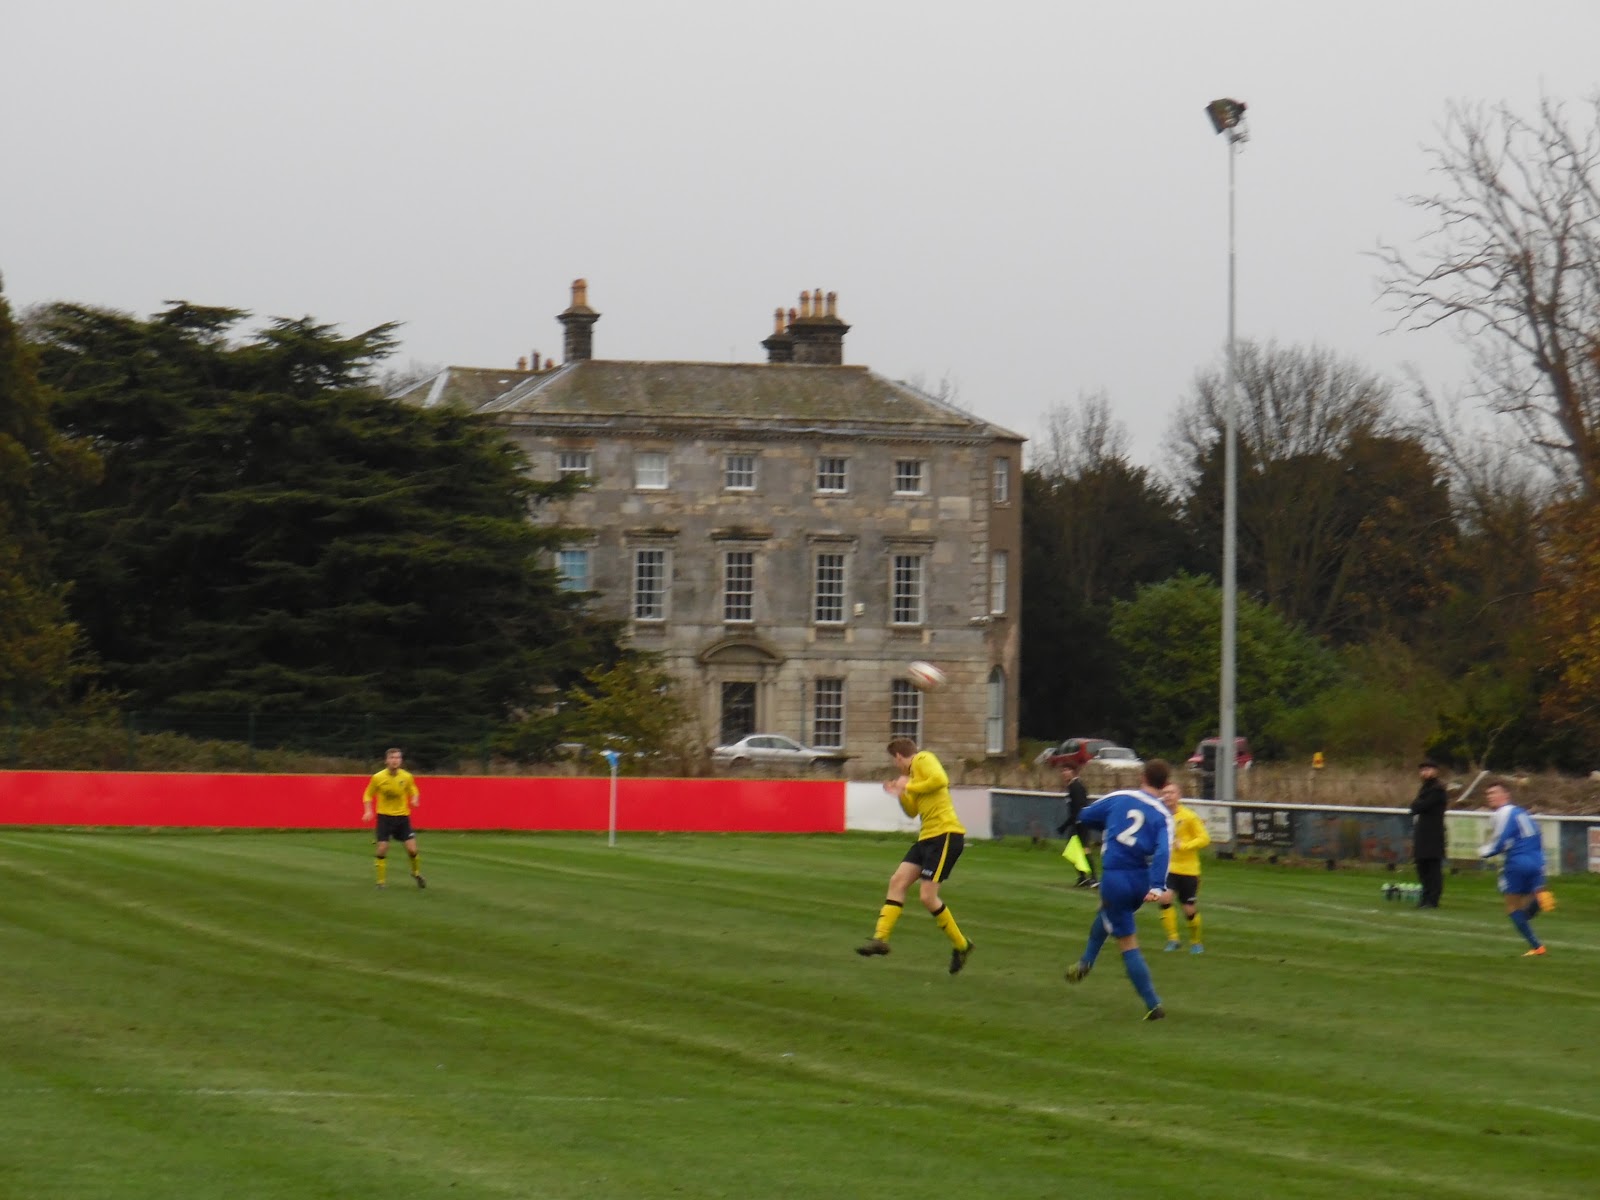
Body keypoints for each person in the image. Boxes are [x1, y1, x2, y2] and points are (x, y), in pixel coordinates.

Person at [1063, 759, 1174, 1020]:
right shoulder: (1164, 815)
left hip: (1115, 877)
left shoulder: (1122, 796)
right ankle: (1085, 961)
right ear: (1164, 784)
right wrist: (1158, 886)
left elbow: (1086, 815)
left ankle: (1153, 1005)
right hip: (1141, 879)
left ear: (1143, 776)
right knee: (1109, 914)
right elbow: (1163, 851)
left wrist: (1112, 824)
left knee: (1127, 942)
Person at [857, 737, 974, 974]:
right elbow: (912, 812)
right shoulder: (913, 778)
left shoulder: (923, 759)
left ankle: (962, 945)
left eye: (894, 761)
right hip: (927, 837)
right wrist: (899, 793)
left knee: (927, 897)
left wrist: (907, 786)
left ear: (899, 756)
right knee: (897, 881)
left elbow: (941, 780)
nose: (896, 766)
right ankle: (880, 939)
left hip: (945, 835)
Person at [1479, 780, 1554, 956]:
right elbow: (1536, 835)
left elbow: (1500, 842)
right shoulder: (1523, 814)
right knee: (1526, 900)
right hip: (1537, 860)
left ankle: (1537, 947)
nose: (1490, 797)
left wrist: (1484, 852)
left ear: (1506, 795)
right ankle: (1539, 897)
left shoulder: (1502, 813)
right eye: (1488, 794)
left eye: (1494, 793)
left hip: (1517, 862)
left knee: (1512, 906)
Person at [362, 747, 427, 889]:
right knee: (382, 849)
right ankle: (380, 882)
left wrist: (415, 799)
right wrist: (368, 811)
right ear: (386, 761)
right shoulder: (378, 777)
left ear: (401, 760)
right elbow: (367, 795)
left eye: (397, 758)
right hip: (384, 817)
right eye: (392, 758)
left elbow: (414, 790)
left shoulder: (406, 776)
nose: (395, 760)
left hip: (402, 817)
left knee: (412, 850)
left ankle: (416, 873)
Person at [1158, 780, 1210, 953]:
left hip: (1189, 870)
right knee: (1165, 898)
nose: (1167, 796)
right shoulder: (1160, 816)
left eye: (1171, 793)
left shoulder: (1189, 816)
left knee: (1189, 909)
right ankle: (1173, 939)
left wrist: (1185, 845)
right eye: (1164, 793)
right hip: (1169, 868)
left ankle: (1196, 942)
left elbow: (1204, 839)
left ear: (1178, 796)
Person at [1409, 760, 1448, 908]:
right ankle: (1425, 897)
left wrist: (1417, 805)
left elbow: (1420, 806)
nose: (1425, 773)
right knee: (1422, 866)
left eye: (1428, 770)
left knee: (1432, 868)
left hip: (1433, 834)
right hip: (1422, 833)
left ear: (1435, 771)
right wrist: (1417, 805)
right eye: (1423, 770)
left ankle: (1433, 899)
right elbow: (1414, 807)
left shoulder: (1437, 789)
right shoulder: (1425, 788)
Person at [1055, 761, 1098, 888]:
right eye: (1062, 770)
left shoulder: (1076, 787)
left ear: (1073, 772)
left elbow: (1079, 808)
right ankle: (1083, 877)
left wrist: (1065, 825)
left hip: (1081, 823)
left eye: (1066, 770)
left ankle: (1093, 878)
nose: (1063, 773)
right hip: (1076, 823)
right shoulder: (1071, 786)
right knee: (1073, 850)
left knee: (1084, 849)